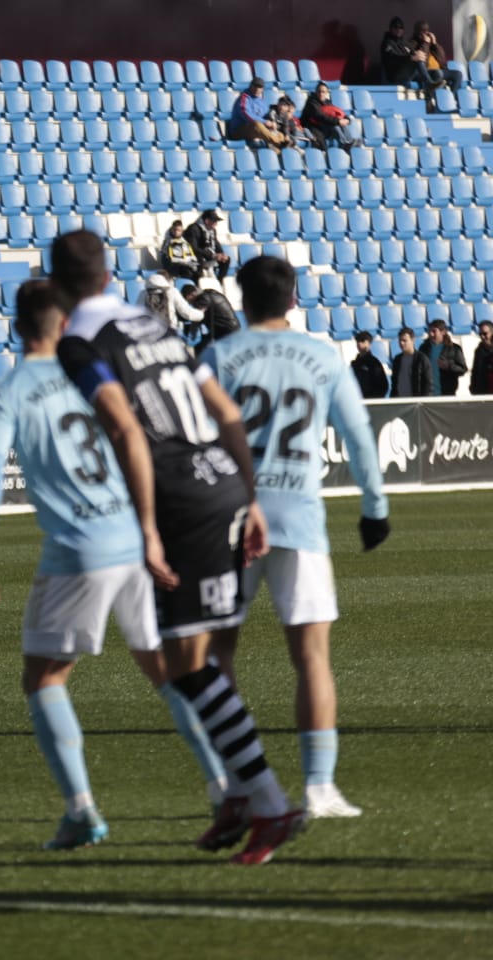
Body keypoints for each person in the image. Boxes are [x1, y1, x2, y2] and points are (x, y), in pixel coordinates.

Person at [50, 229, 301, 865]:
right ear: (109, 276)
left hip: (181, 499)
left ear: (58, 286)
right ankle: (244, 795)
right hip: (223, 484)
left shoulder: (78, 342)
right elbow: (226, 412)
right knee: (197, 660)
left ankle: (268, 803)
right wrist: (249, 499)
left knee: (189, 666)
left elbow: (127, 429)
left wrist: (148, 528)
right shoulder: (151, 325)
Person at [0, 280, 231, 849]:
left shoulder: (7, 392)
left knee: (44, 676)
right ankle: (221, 786)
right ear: (64, 327)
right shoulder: (94, 376)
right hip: (133, 537)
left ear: (18, 327)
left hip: (79, 548)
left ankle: (82, 810)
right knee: (167, 673)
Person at [201, 256, 390, 819]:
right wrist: (374, 507)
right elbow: (358, 433)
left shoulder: (218, 355)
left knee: (219, 654)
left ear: (241, 298)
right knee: (311, 655)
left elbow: (190, 437)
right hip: (301, 519)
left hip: (231, 519)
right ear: (291, 299)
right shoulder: (322, 356)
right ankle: (319, 786)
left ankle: (238, 780)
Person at [226, 78, 288, 149]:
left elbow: (266, 114)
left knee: (280, 134)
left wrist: (272, 122)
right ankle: (278, 143)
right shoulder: (244, 98)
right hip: (239, 131)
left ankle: (282, 150)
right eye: (255, 86)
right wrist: (265, 122)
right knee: (257, 125)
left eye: (260, 87)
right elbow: (246, 114)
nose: (257, 89)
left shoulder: (261, 101)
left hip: (255, 130)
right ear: (250, 86)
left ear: (262, 89)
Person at [300, 83, 361, 151]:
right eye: (319, 91)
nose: (321, 93)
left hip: (323, 126)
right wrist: (338, 121)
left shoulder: (327, 102)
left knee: (340, 123)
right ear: (316, 92)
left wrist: (347, 120)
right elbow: (320, 117)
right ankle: (343, 143)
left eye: (323, 92)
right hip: (314, 127)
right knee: (334, 124)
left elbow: (337, 112)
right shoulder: (311, 103)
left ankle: (349, 141)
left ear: (326, 93)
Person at [140, 271, 203, 337]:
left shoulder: (143, 293)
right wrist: (201, 314)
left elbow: (138, 312)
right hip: (169, 331)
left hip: (150, 333)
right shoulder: (172, 291)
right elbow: (187, 313)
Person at [419, 318, 467, 397]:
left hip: (447, 393)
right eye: (429, 331)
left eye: (434, 331)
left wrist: (449, 366)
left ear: (443, 332)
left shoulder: (454, 348)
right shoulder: (423, 348)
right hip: (427, 394)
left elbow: (462, 369)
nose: (431, 334)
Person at [185, 210, 230, 281]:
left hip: (207, 254)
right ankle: (198, 281)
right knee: (198, 259)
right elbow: (193, 248)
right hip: (194, 256)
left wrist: (221, 253)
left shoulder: (212, 230)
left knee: (226, 259)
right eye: (214, 221)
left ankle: (220, 281)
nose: (216, 224)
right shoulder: (193, 229)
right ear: (207, 221)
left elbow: (216, 243)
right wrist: (212, 255)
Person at [389, 326, 433, 397]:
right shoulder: (397, 359)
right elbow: (394, 383)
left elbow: (427, 383)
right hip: (399, 401)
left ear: (412, 340)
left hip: (415, 402)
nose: (401, 343)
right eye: (400, 340)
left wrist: (423, 401)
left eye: (404, 340)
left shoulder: (421, 359)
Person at [350, 330, 389, 399]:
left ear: (369, 343)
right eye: (358, 341)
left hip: (371, 401)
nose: (359, 343)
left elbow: (383, 385)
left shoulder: (374, 363)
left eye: (362, 341)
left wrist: (374, 399)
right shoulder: (354, 364)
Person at [471, 321, 493, 396]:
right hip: (482, 391)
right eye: (480, 334)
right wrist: (473, 388)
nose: (482, 336)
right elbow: (475, 371)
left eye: (485, 334)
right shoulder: (479, 351)